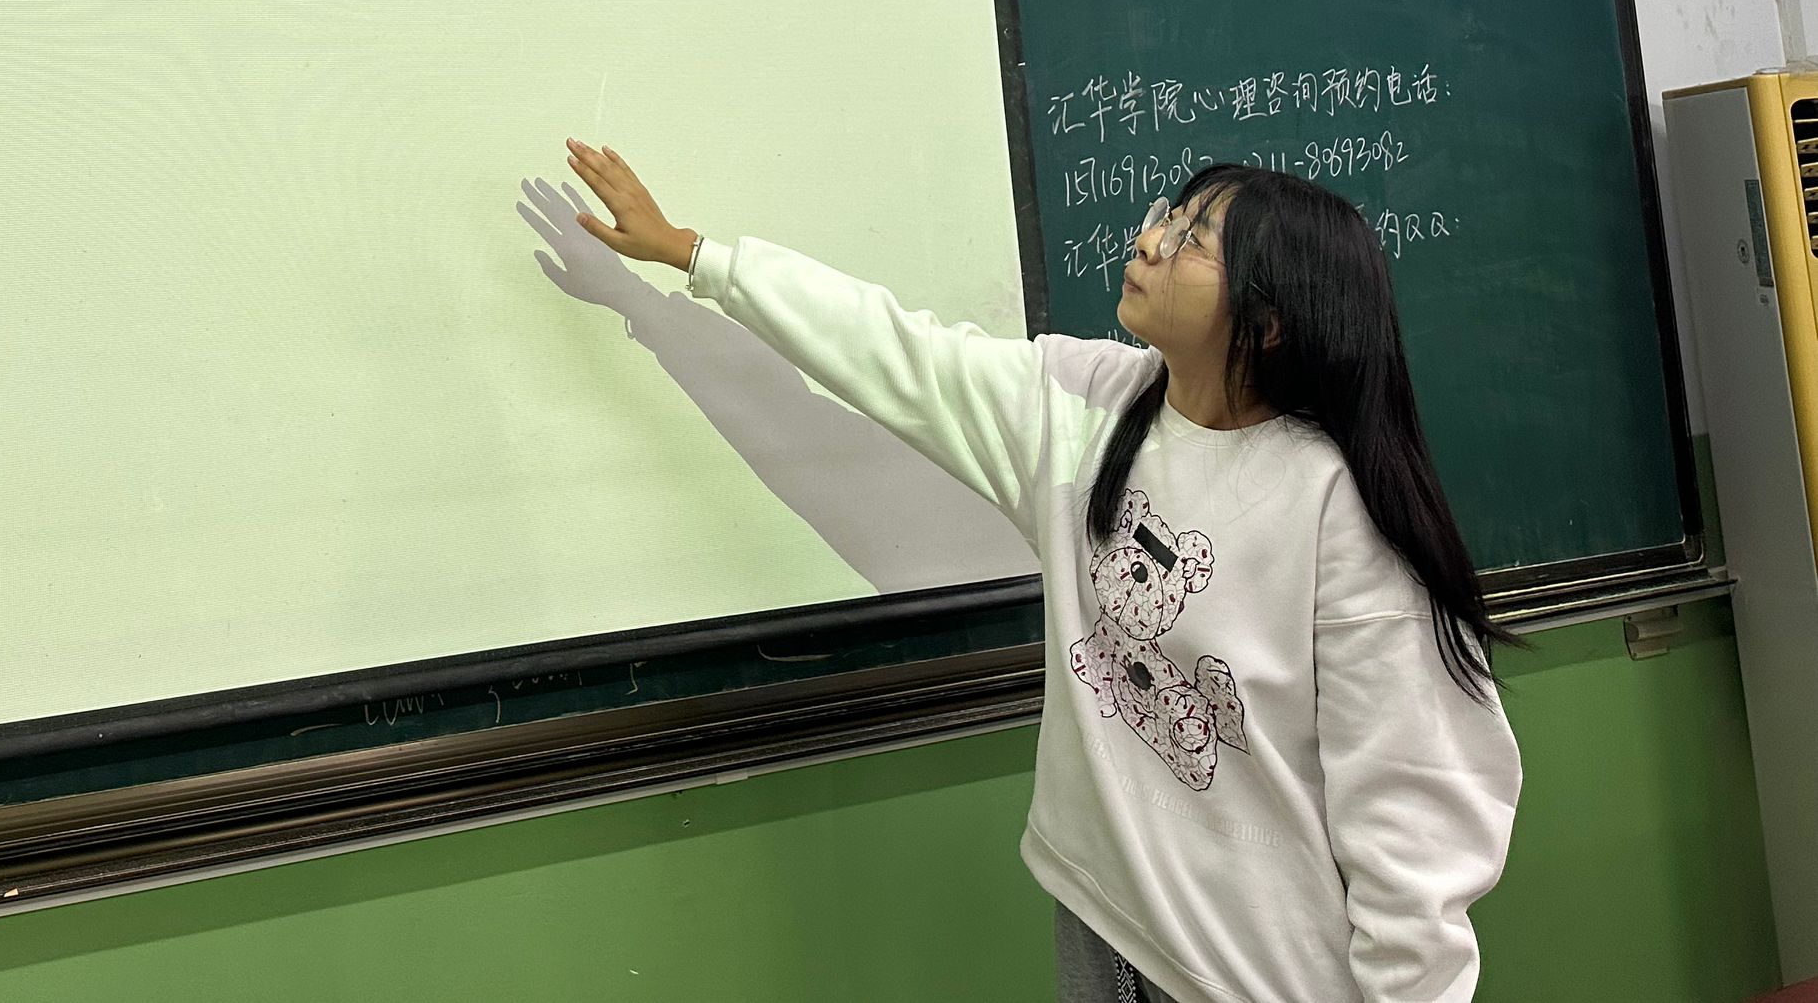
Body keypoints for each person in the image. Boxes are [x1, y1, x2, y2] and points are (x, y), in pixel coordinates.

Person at [560, 141, 1522, 1003]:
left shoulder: (1336, 509)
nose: (1148, 242)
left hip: (1255, 972)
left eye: (1191, 241)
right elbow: (898, 352)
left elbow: (1418, 807)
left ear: (1267, 322)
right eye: (1168, 218)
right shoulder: (1089, 403)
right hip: (1102, 917)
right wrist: (698, 257)